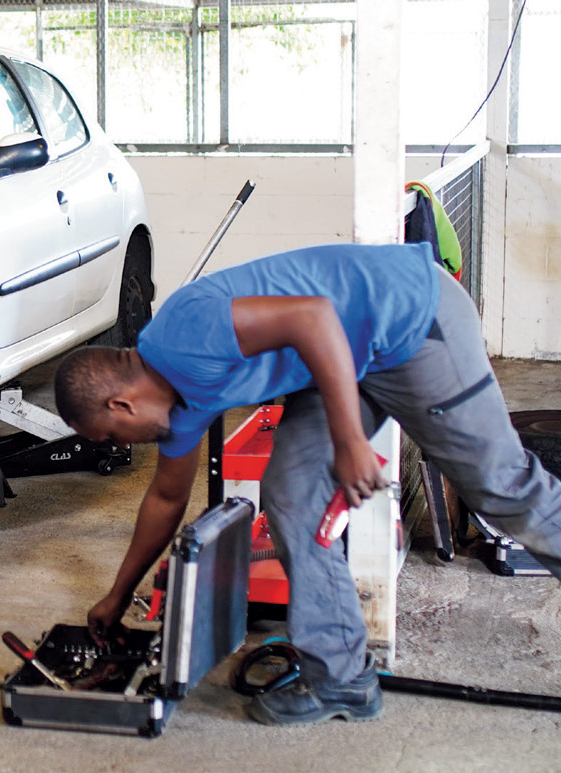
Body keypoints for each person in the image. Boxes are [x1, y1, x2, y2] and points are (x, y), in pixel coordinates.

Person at [53, 242, 561, 726]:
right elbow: (166, 497)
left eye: (113, 435)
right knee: (292, 497)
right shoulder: (178, 406)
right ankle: (341, 677)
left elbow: (313, 317)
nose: (126, 444)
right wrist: (118, 596)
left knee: (501, 487)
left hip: (408, 320)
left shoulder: (185, 335)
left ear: (121, 405)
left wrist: (349, 441)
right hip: (339, 360)